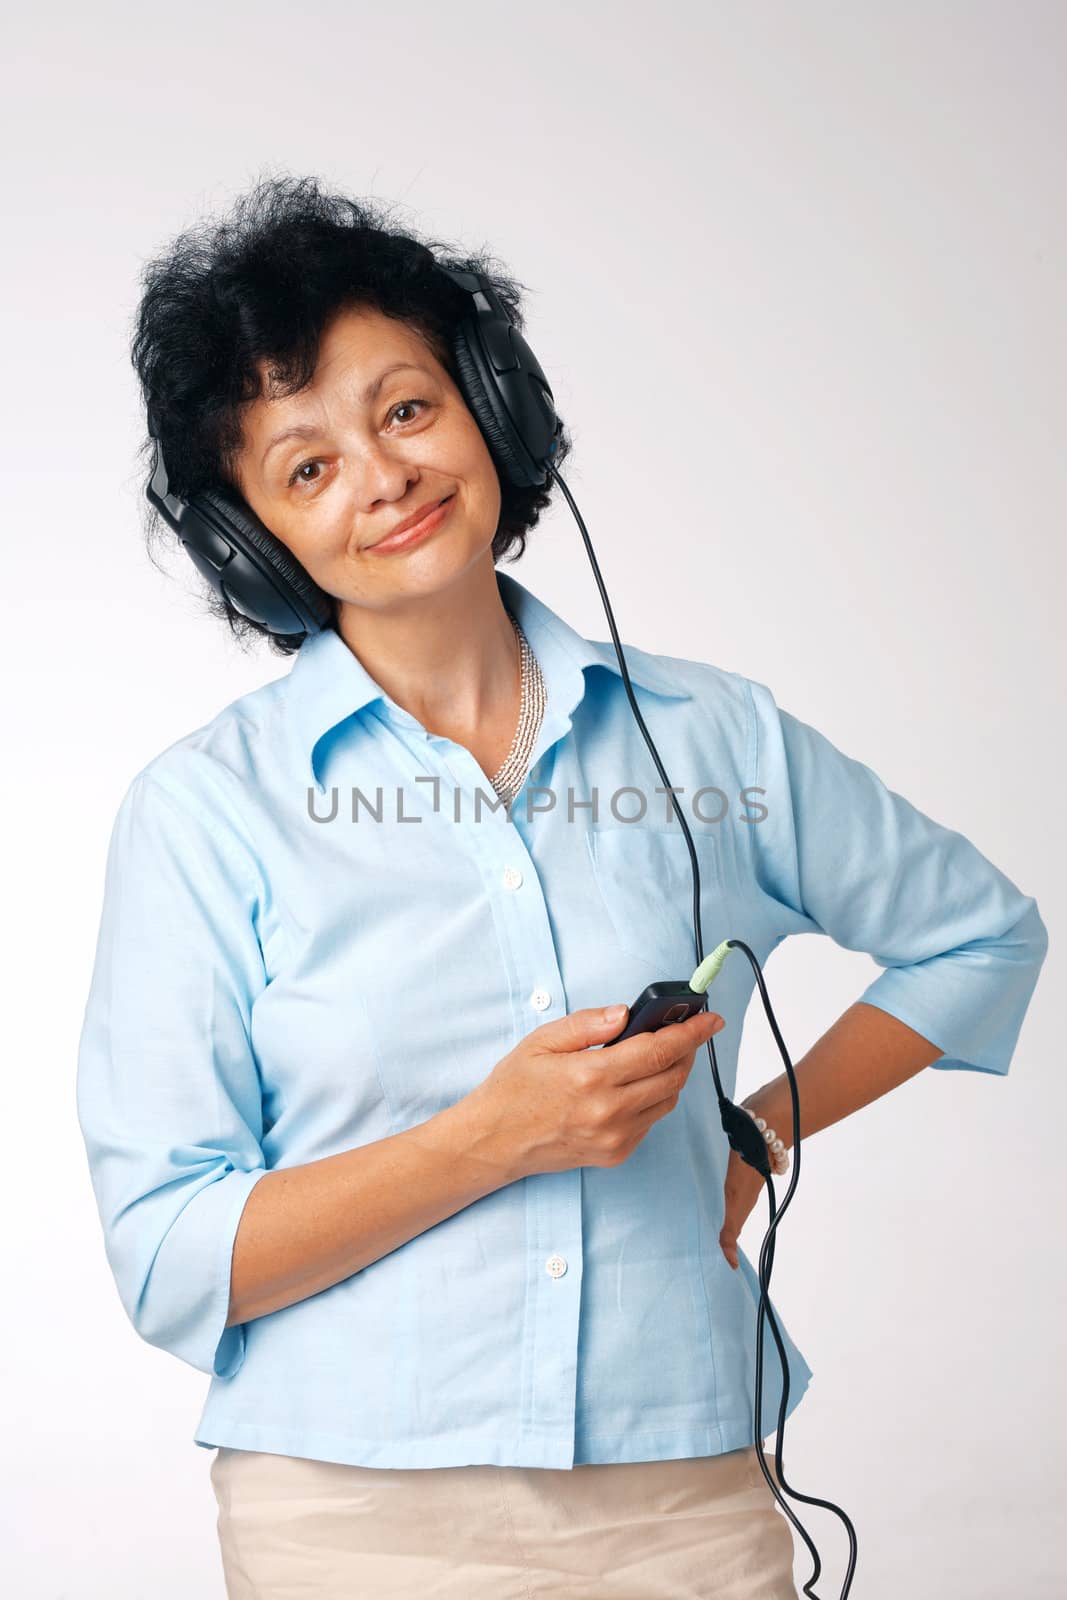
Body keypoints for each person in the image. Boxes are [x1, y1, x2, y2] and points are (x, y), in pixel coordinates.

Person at [76, 174, 1049, 1600]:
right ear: (255, 538)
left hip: (687, 1504)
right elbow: (168, 1253)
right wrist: (491, 1138)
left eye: (405, 409)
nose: (383, 474)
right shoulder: (204, 814)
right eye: (305, 465)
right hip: (351, 1524)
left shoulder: (717, 739)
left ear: (488, 405)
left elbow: (980, 936)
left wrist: (755, 1131)